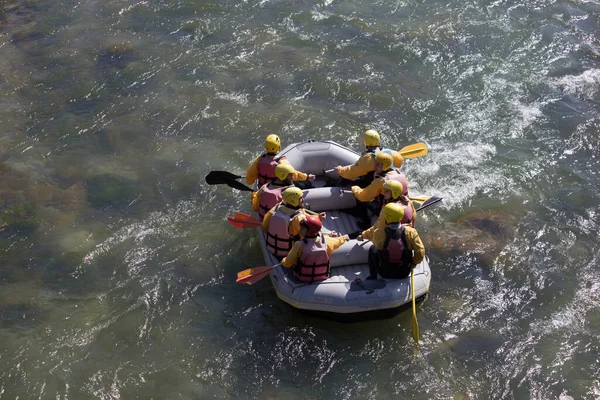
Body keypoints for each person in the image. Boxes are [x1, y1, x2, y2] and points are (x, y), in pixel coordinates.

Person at [360, 203, 425, 280]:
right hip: (404, 272)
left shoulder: (379, 232)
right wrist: (413, 263)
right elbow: (420, 251)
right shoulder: (411, 232)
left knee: (372, 248)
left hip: (384, 272)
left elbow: (377, 246)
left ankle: (373, 276)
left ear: (387, 217)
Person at [281, 215, 349, 282]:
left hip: (302, 277)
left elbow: (287, 263)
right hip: (322, 276)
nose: (300, 230)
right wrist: (344, 237)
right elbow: (338, 241)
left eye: (303, 229)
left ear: (309, 232)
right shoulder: (326, 241)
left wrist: (283, 261)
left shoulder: (299, 245)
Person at [262, 187, 326, 258]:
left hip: (271, 246)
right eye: (301, 198)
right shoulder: (298, 218)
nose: (303, 200)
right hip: (289, 253)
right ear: (294, 201)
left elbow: (264, 227)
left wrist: (318, 217)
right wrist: (320, 221)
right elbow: (310, 235)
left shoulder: (275, 208)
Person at [246, 134, 315, 186]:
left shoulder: (260, 159)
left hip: (262, 190)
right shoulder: (282, 161)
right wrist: (307, 177)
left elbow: (250, 176)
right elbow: (293, 174)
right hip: (277, 189)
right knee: (298, 183)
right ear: (278, 146)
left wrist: (250, 181)